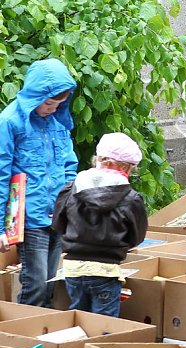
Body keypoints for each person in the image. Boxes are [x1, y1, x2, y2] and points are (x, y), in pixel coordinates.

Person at [0, 59, 77, 307]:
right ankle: (24, 338)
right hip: (29, 217)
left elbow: (69, 166)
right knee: (35, 283)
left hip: (57, 215)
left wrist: (70, 206)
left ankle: (44, 335)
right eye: (48, 103)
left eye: (58, 105)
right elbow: (1, 173)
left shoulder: (58, 122)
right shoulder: (10, 122)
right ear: (35, 95)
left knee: (50, 282)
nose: (52, 109)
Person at [52, 133, 147, 317]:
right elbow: (137, 236)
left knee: (78, 319)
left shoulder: (72, 188)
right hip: (106, 269)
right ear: (124, 167)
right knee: (104, 325)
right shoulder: (130, 198)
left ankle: (75, 346)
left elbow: (58, 223)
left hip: (73, 267)